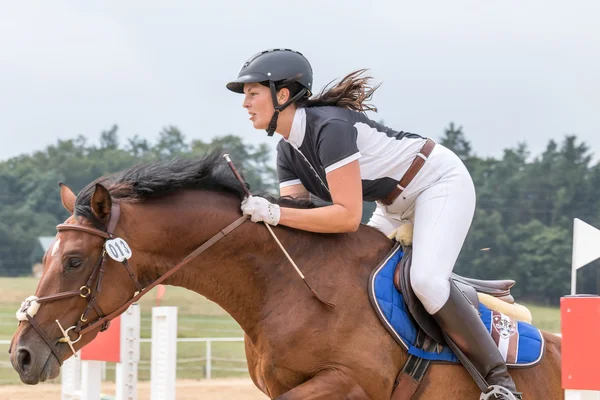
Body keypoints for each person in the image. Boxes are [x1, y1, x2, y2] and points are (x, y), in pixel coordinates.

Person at [226, 48, 521, 399]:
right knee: (350, 276)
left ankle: (500, 383)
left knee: (426, 280)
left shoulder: (330, 128)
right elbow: (296, 221)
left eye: (252, 93)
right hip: (392, 203)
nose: (245, 103)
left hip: (438, 184)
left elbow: (347, 217)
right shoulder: (287, 150)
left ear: (283, 95)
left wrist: (273, 213)